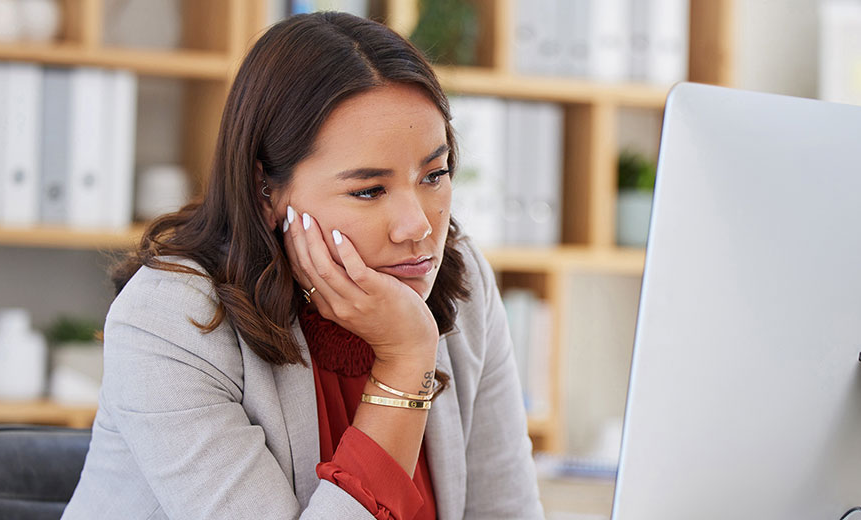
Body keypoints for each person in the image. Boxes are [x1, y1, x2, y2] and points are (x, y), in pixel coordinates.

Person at [62, 11, 543, 520]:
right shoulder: (169, 321)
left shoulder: (462, 278)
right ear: (266, 191)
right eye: (368, 190)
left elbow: (505, 511)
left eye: (434, 174)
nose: (417, 227)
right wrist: (405, 364)